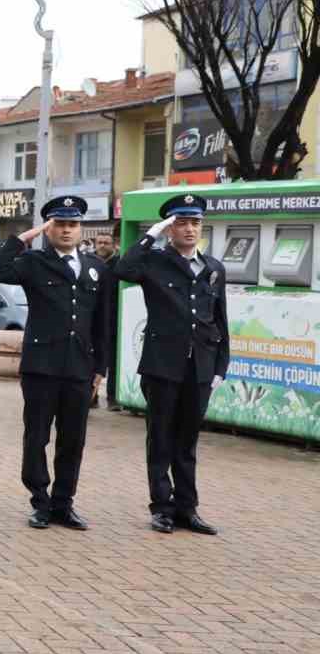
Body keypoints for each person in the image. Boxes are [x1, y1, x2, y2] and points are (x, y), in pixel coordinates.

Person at [0, 196, 111, 530]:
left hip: (80, 368)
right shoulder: (34, 262)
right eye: (59, 224)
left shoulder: (96, 267)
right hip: (41, 366)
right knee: (37, 436)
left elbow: (103, 322)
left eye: (72, 224)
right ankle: (40, 502)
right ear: (49, 228)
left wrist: (101, 368)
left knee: (73, 440)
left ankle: (64, 504)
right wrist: (25, 237)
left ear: (81, 228)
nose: (66, 230)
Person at [111, 194, 227, 535]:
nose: (190, 229)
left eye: (195, 223)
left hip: (200, 366)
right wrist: (152, 234)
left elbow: (219, 319)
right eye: (181, 223)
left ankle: (187, 508)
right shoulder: (154, 261)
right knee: (161, 438)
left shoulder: (213, 268)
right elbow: (122, 270)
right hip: (162, 365)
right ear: (170, 228)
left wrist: (221, 366)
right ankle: (162, 507)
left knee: (187, 442)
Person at [92, 231, 123, 412]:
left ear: (114, 245)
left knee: (114, 360)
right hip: (93, 319)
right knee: (91, 359)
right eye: (100, 242)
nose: (102, 245)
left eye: (106, 243)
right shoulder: (89, 262)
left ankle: (112, 398)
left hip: (114, 319)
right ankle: (92, 397)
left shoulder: (119, 264)